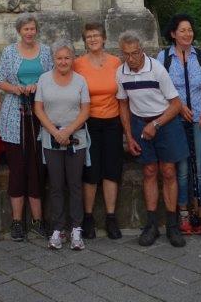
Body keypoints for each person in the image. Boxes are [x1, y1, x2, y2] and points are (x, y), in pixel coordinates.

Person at [116, 31, 188, 247]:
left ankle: (172, 226)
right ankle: (152, 225)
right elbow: (123, 104)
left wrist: (156, 124)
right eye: (126, 54)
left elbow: (176, 104)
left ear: (142, 50)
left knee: (168, 171)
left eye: (134, 53)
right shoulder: (121, 73)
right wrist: (129, 136)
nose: (131, 59)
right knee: (148, 171)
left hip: (165, 121)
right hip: (140, 122)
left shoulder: (157, 69)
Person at [0, 13, 53, 241]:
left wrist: (37, 86)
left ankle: (38, 220)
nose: (29, 32)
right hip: (14, 114)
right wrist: (16, 88)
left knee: (37, 168)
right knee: (17, 168)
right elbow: (0, 80)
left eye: (32, 28)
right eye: (26, 29)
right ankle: (17, 221)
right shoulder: (9, 51)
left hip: (40, 114)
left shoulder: (46, 51)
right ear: (19, 31)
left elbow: (52, 77)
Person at [158, 14, 201, 235]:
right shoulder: (164, 57)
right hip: (175, 120)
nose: (187, 34)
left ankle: (198, 213)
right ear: (173, 33)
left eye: (190, 30)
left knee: (198, 168)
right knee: (181, 170)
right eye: (182, 30)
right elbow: (160, 88)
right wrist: (180, 106)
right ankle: (182, 213)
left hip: (200, 118)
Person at [35, 44, 90, 251]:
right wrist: (55, 132)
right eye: (59, 58)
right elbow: (39, 109)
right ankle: (58, 229)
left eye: (67, 58)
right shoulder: (44, 79)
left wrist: (68, 131)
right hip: (51, 138)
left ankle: (76, 228)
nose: (63, 62)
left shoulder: (80, 80)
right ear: (53, 59)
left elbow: (85, 111)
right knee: (56, 185)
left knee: (75, 185)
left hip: (76, 138)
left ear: (72, 59)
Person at [73, 22, 123, 240]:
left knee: (112, 170)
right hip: (89, 122)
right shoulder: (78, 64)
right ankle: (88, 217)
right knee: (91, 172)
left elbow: (122, 95)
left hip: (112, 121)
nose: (93, 39)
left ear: (104, 38)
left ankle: (111, 217)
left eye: (96, 35)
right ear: (84, 41)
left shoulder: (115, 62)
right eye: (88, 36)